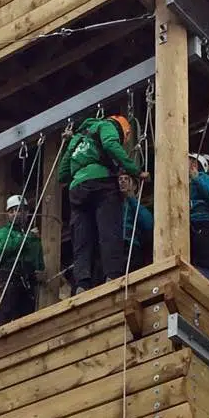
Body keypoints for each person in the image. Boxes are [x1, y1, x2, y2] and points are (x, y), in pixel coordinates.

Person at [58, 114, 150, 294]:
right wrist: (135, 170)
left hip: (77, 190)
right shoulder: (106, 126)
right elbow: (110, 145)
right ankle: (113, 275)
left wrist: (80, 172)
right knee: (109, 231)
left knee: (82, 239)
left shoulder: (77, 139)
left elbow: (62, 174)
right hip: (101, 184)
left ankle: (82, 283)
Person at [0, 195, 45, 326]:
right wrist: (26, 238)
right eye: (14, 210)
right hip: (10, 278)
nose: (18, 213)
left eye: (22, 210)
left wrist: (39, 270)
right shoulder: (4, 232)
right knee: (6, 312)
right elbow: (3, 247)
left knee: (26, 318)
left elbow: (37, 257)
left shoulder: (30, 236)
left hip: (27, 281)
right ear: (9, 213)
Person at [188, 153, 209, 287]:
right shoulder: (184, 184)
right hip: (189, 226)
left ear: (194, 165)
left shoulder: (207, 179)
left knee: (205, 265)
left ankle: (208, 289)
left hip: (204, 226)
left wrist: (197, 179)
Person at [119, 173, 153, 272]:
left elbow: (148, 224)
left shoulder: (138, 207)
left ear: (134, 186)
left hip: (132, 247)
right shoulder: (113, 207)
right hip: (115, 248)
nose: (123, 181)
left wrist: (132, 199)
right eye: (120, 179)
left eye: (126, 179)